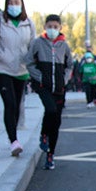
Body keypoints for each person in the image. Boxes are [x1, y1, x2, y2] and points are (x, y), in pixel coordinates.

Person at [0, 0, 36, 156]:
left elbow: (33, 45)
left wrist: (30, 60)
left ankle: (13, 134)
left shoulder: (28, 23)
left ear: (22, 4)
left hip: (21, 70)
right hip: (3, 69)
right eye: (11, 2)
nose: (14, 5)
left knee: (17, 105)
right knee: (9, 103)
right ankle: (13, 140)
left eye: (17, 2)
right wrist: (1, 55)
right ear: (6, 4)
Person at [27, 14, 73, 170]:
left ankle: (50, 155)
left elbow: (70, 65)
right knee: (50, 109)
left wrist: (65, 79)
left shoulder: (64, 46)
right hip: (43, 86)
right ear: (45, 27)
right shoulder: (37, 43)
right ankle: (43, 134)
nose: (52, 29)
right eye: (49, 26)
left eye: (55, 26)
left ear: (60, 28)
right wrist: (39, 77)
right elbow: (29, 62)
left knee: (56, 121)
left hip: (59, 87)